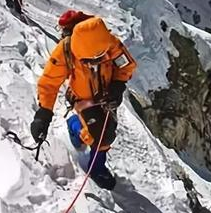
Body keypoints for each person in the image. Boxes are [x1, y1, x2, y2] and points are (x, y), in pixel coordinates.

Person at [30, 10, 137, 190]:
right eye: (87, 60)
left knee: (107, 129)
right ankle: (96, 168)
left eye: (99, 58)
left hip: (107, 96)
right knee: (102, 138)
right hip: (83, 99)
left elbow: (126, 66)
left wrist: (118, 86)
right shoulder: (66, 50)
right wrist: (43, 113)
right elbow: (49, 82)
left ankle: (74, 125)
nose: (93, 63)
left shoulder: (110, 43)